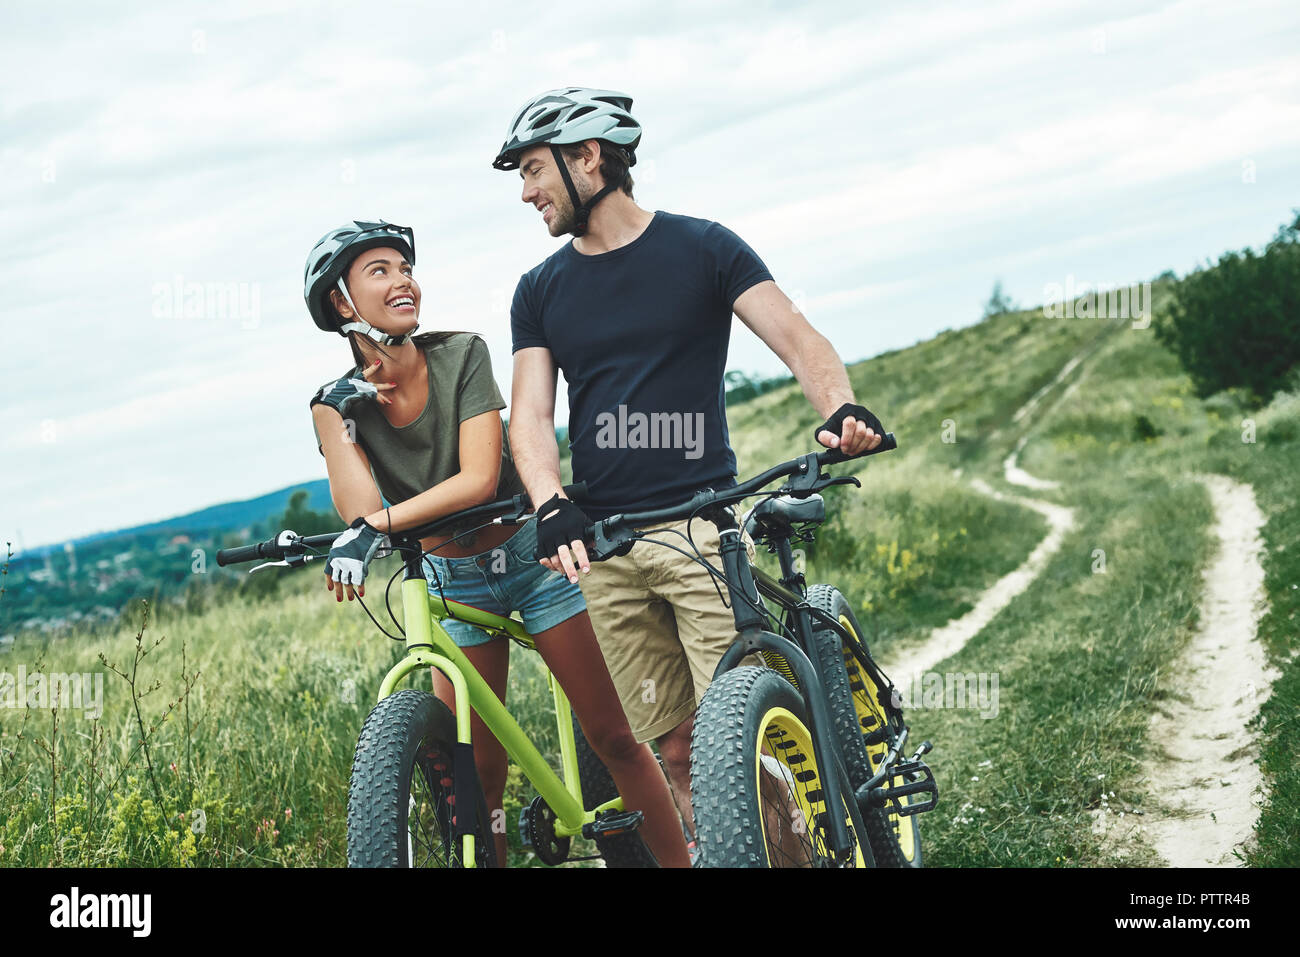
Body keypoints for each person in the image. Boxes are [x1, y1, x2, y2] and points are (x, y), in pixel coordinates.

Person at [494, 89, 886, 838]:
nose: (526, 191)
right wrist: (549, 500)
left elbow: (799, 339)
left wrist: (838, 406)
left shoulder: (704, 247)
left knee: (743, 745)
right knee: (674, 747)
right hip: (606, 548)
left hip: (703, 531)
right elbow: (533, 417)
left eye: (535, 169)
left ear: (589, 159)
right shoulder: (538, 291)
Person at [302, 219, 689, 867]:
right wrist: (343, 423)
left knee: (614, 735)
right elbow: (361, 509)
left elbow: (478, 477)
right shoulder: (333, 405)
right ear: (342, 302)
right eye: (380, 271)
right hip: (450, 582)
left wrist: (376, 529)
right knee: (476, 774)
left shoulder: (461, 355)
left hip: (533, 559)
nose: (403, 280)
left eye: (405, 267)